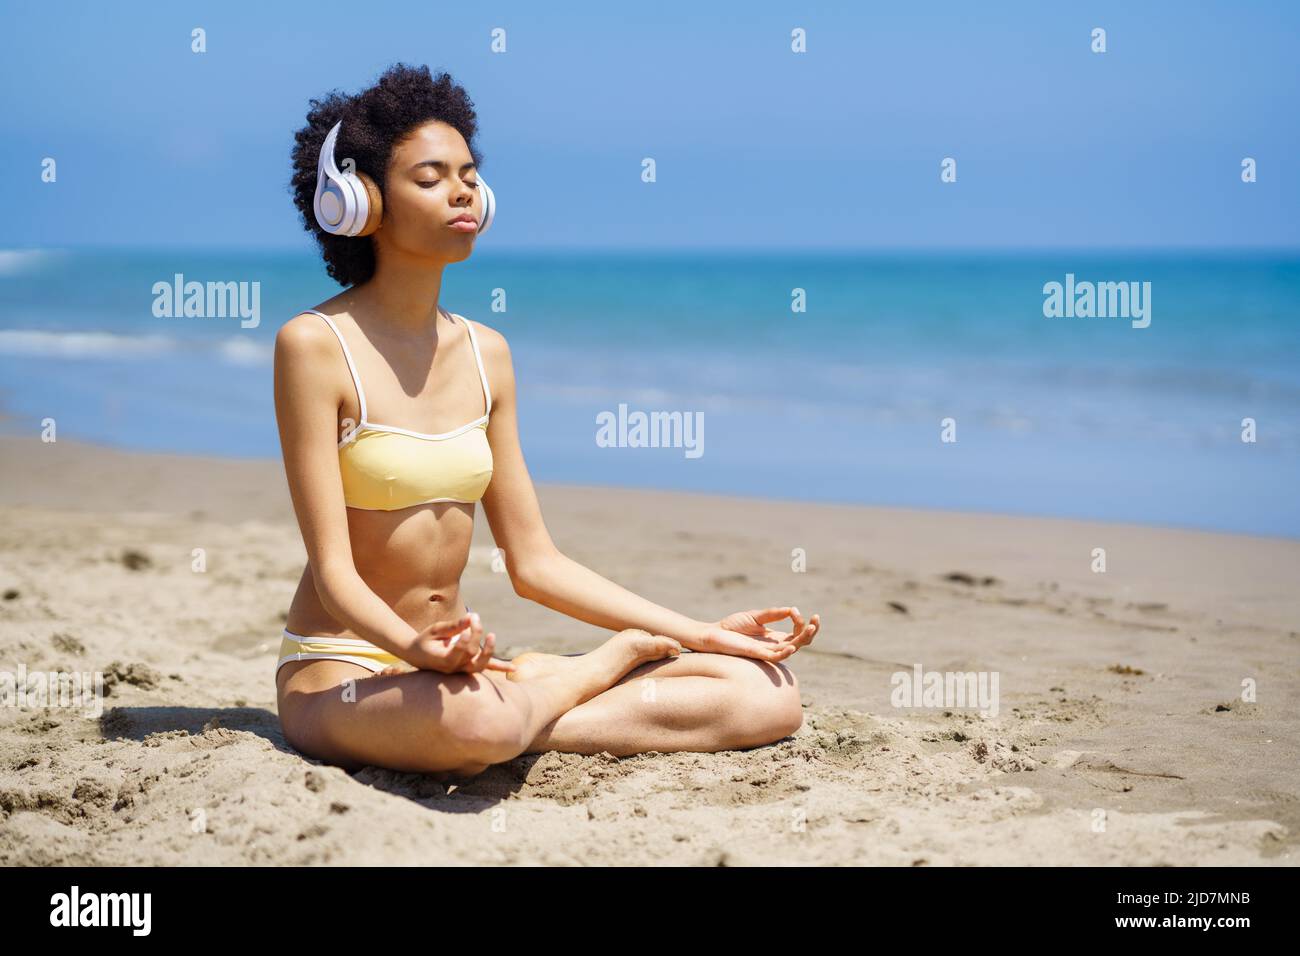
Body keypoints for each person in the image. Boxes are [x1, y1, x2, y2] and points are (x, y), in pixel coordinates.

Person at [274, 64, 820, 780]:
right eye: (431, 177)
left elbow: (534, 564)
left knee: (766, 699)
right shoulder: (314, 347)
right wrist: (418, 653)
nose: (463, 189)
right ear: (361, 200)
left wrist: (698, 632)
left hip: (455, 671)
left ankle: (528, 701)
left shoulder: (486, 354)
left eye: (469, 173)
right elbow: (336, 573)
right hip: (342, 673)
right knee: (477, 719)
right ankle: (574, 678)